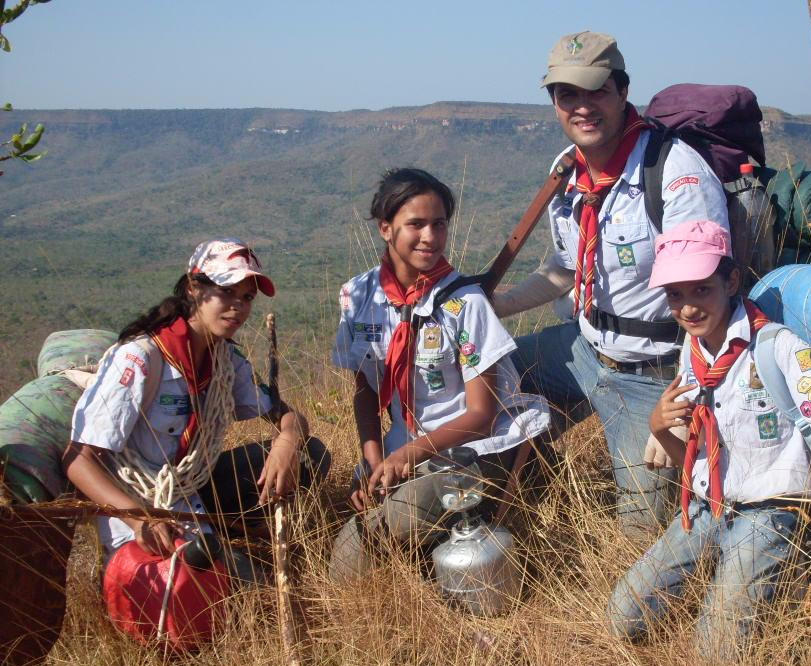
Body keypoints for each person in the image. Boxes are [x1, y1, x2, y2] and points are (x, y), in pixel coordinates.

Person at [491, 31, 730, 538]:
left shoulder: (673, 173)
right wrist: (496, 307)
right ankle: (530, 477)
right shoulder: (566, 172)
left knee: (637, 534)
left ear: (622, 92)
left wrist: (679, 405)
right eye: (567, 95)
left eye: (596, 91)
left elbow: (707, 304)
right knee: (492, 377)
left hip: (655, 369)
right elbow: (564, 267)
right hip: (583, 347)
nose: (582, 107)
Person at [605, 219, 811, 660]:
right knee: (624, 617)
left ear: (730, 280)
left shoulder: (777, 347)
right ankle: (728, 577)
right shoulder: (692, 355)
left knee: (716, 656)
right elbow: (694, 464)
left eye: (701, 290)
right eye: (676, 294)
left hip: (769, 511)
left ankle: (783, 572)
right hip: (708, 508)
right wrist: (658, 427)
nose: (688, 308)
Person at [328, 168, 550, 583]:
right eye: (416, 224)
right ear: (385, 229)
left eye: (440, 224)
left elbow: (480, 415)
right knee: (348, 562)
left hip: (472, 451)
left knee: (371, 539)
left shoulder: (463, 303)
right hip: (402, 449)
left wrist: (404, 459)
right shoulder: (360, 296)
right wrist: (372, 459)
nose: (430, 236)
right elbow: (365, 387)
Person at [64, 238, 330, 570]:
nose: (238, 306)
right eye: (227, 291)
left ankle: (226, 530)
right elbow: (78, 460)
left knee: (309, 453)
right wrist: (138, 520)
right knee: (225, 589)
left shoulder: (225, 359)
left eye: (246, 297)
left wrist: (288, 440)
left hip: (190, 490)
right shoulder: (142, 358)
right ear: (194, 288)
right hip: (139, 505)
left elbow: (285, 414)